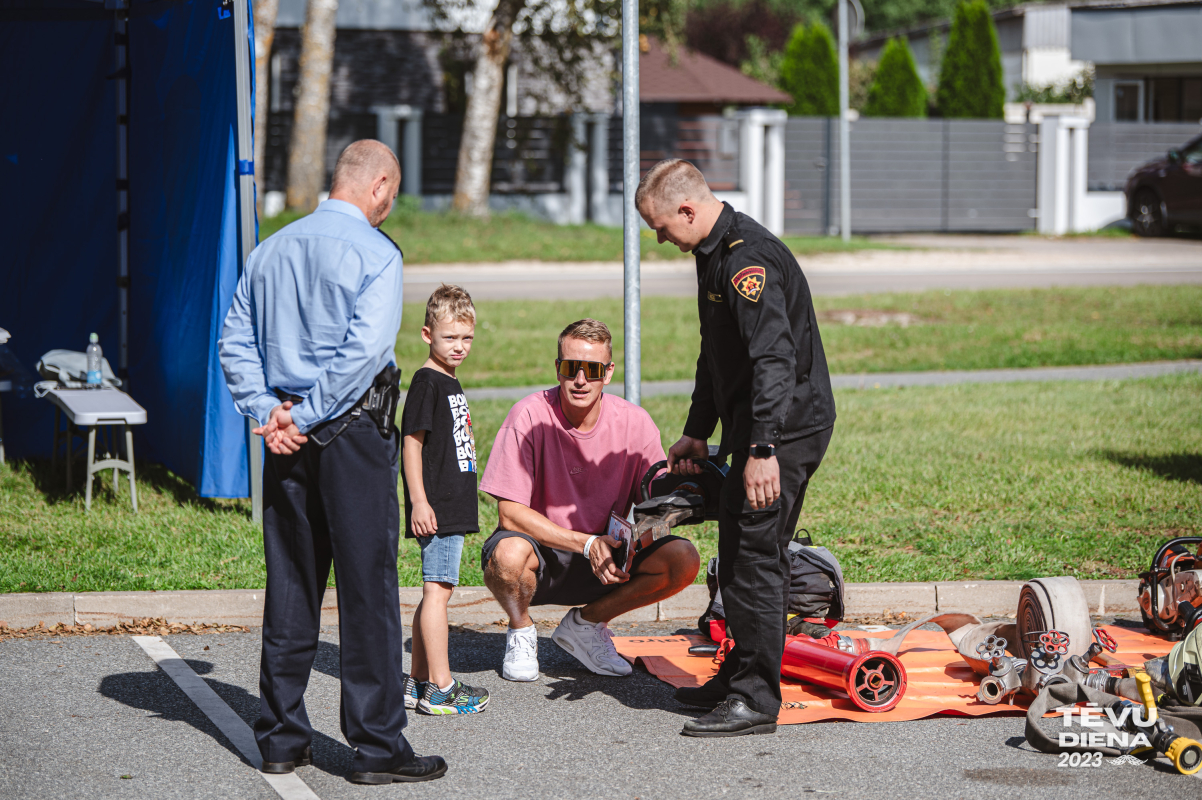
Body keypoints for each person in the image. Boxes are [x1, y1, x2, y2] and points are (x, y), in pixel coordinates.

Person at [218, 140, 446, 784]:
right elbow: (362, 354)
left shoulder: (271, 249)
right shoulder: (377, 253)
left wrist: (271, 412)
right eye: (393, 194)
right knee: (367, 588)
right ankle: (377, 747)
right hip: (347, 432)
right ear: (378, 185)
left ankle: (281, 737)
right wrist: (308, 415)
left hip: (287, 433)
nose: (390, 206)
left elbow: (234, 338)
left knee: (291, 582)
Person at [637, 159, 836, 738]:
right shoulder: (713, 255)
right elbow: (716, 354)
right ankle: (735, 677)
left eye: (662, 227)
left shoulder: (747, 261)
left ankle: (755, 699)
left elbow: (775, 360)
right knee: (739, 551)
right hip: (753, 428)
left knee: (755, 559)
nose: (661, 239)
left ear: (689, 210)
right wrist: (699, 428)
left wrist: (763, 449)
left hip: (783, 432)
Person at [478, 319, 700, 681]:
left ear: (608, 373)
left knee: (683, 559)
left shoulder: (636, 422)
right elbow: (509, 514)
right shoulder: (528, 415)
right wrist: (587, 543)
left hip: (608, 557)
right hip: (545, 550)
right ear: (557, 369)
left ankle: (587, 624)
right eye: (571, 368)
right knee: (506, 556)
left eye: (592, 370)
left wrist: (686, 484)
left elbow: (654, 499)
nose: (580, 380)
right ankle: (520, 630)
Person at [400, 284, 491, 715]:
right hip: (437, 508)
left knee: (433, 592)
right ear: (427, 334)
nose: (459, 346)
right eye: (449, 338)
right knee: (438, 592)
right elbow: (411, 444)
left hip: (451, 505)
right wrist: (419, 501)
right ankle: (441, 687)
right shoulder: (427, 383)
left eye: (466, 338)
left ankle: (418, 681)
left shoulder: (448, 380)